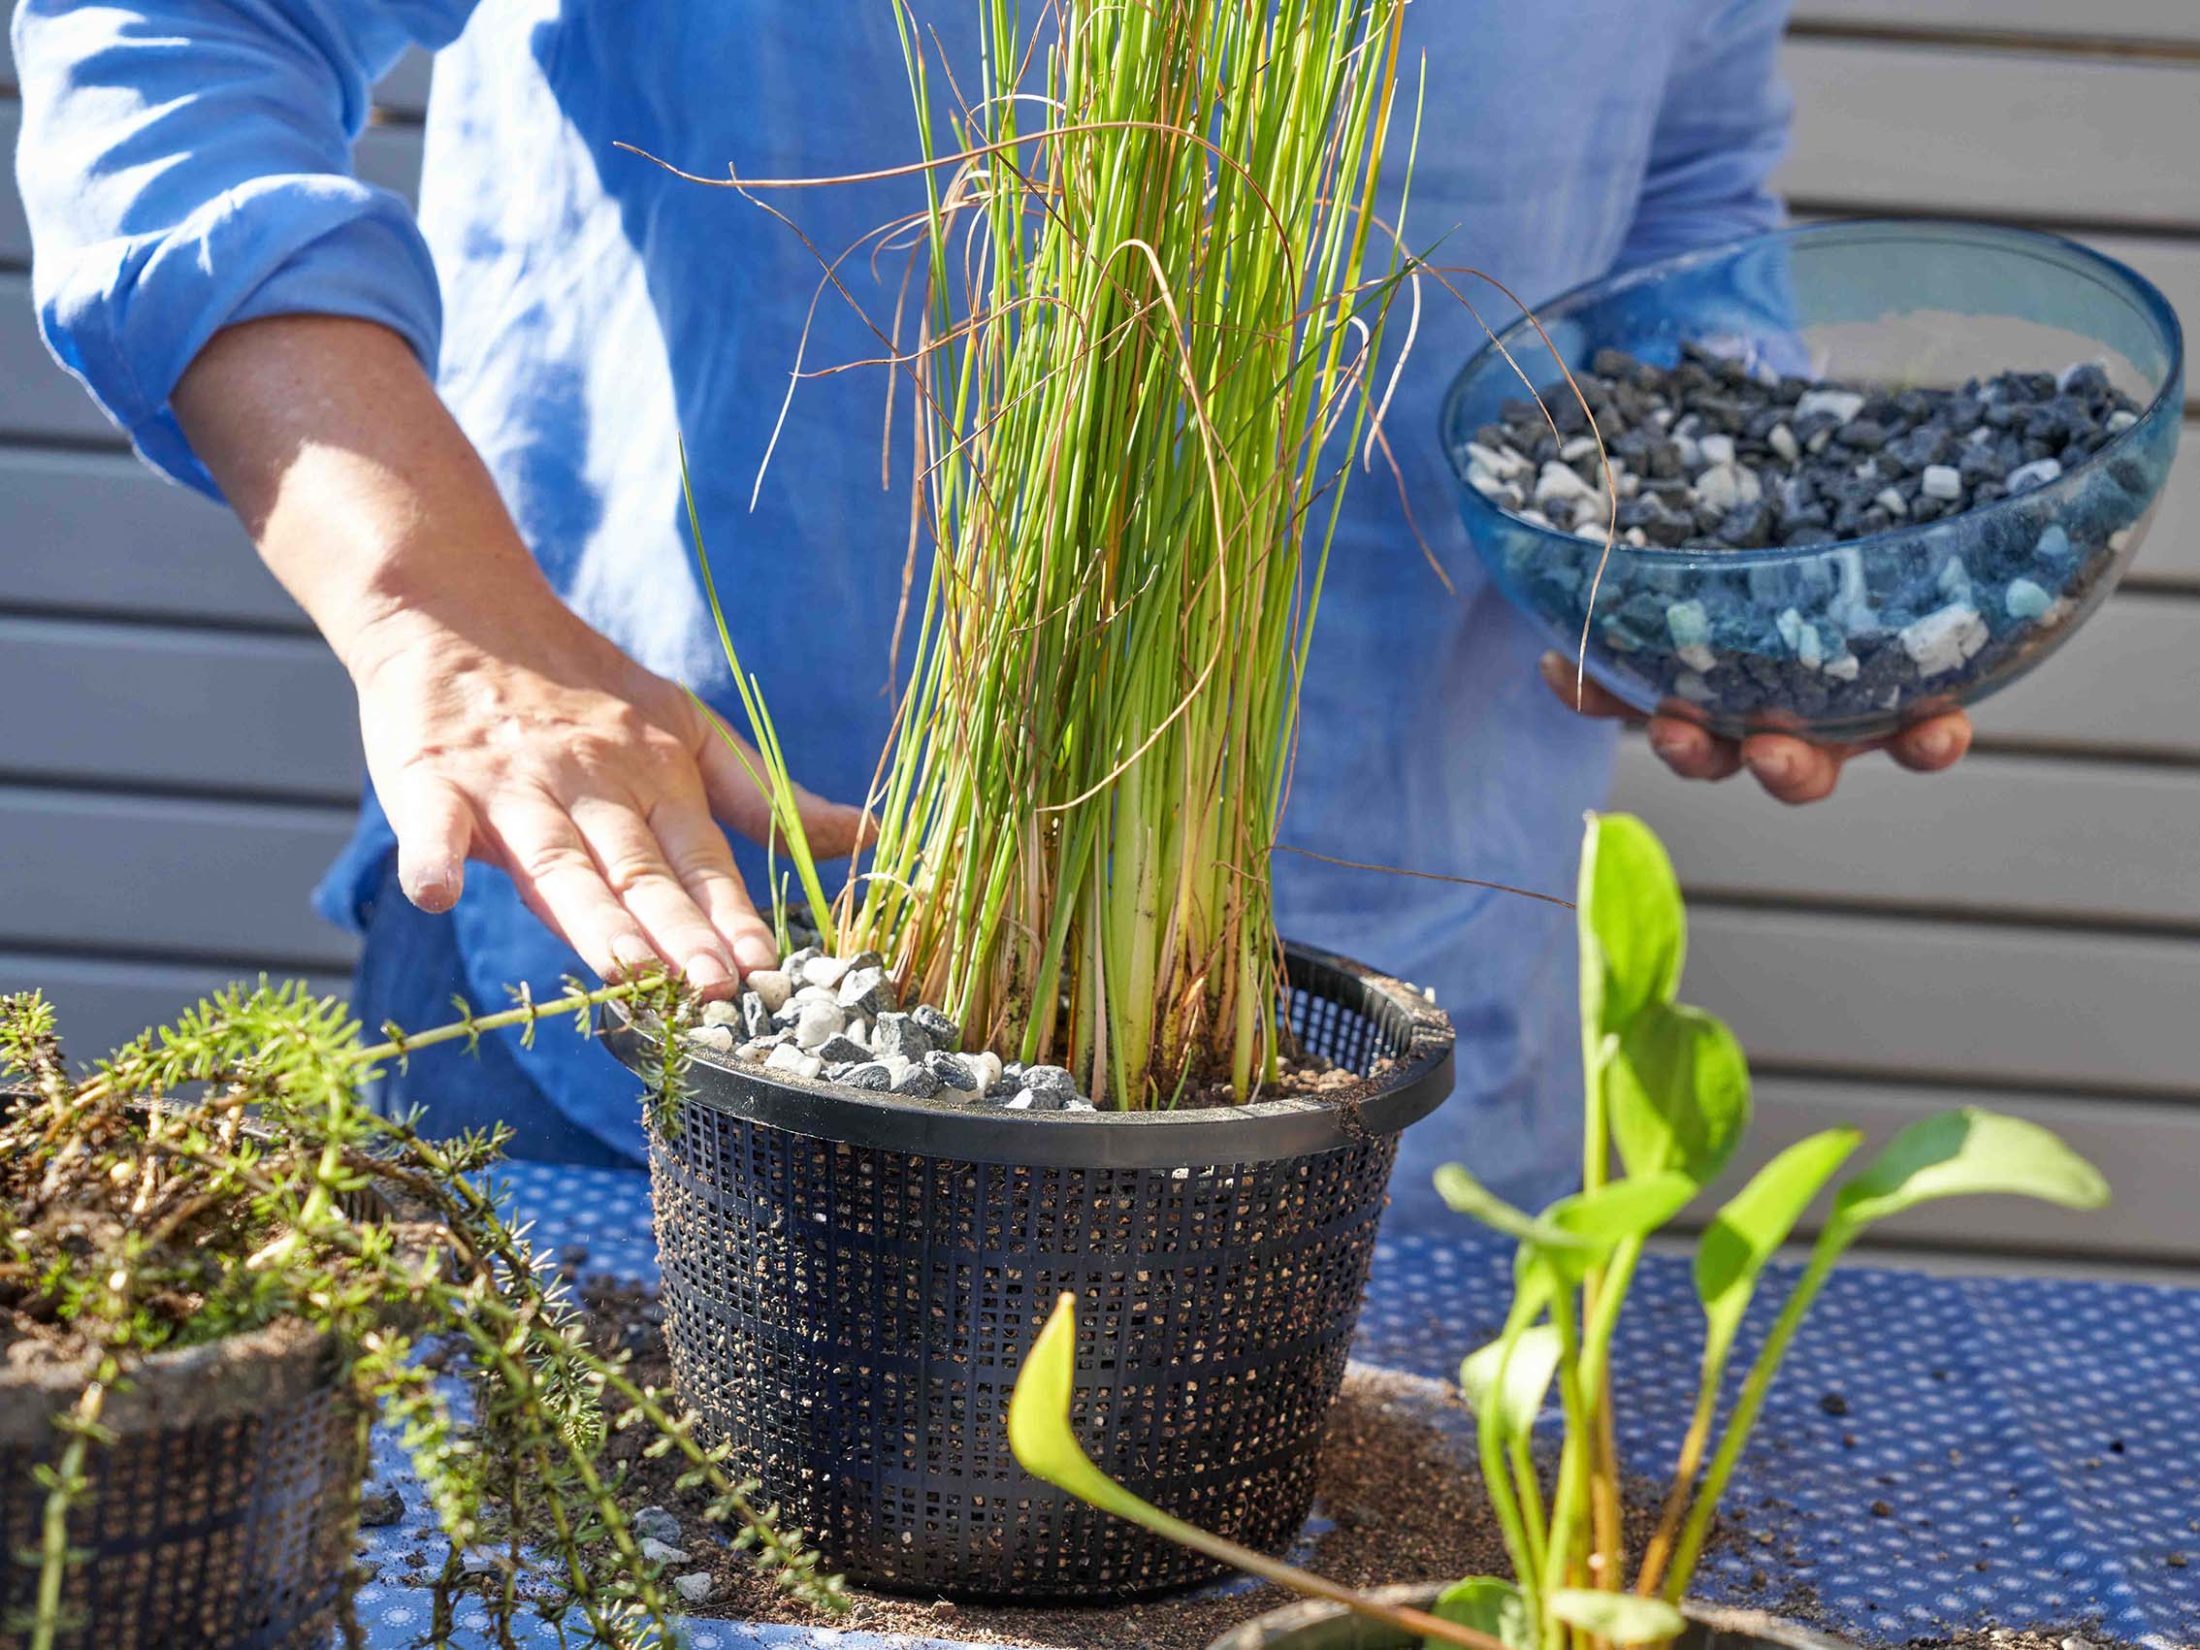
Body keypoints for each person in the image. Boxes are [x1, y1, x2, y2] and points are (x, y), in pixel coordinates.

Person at [12, 1, 1968, 1219]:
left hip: (1391, 1051)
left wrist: (1724, 549)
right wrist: (441, 611)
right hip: (675, 983)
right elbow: (187, 24)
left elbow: (1680, 179)